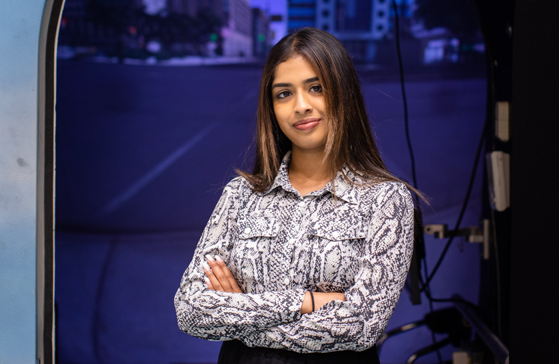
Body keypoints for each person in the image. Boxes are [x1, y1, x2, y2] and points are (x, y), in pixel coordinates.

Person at [174, 27, 418, 363]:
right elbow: (191, 309)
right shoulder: (240, 195)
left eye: (316, 88)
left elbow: (363, 325)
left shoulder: (386, 200)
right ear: (271, 107)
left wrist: (240, 314)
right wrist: (303, 302)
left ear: (344, 93)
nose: (301, 106)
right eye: (284, 94)